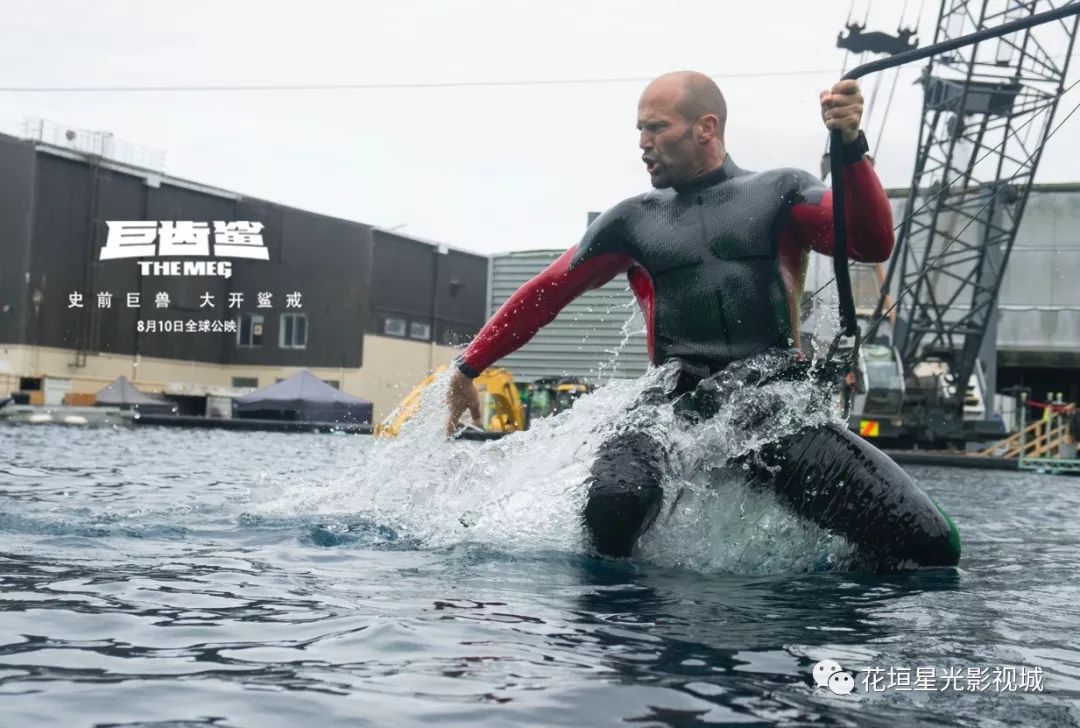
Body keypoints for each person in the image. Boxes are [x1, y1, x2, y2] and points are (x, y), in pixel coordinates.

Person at [444, 71, 955, 563]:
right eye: (640, 129)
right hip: (671, 407)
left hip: (771, 408)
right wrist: (469, 366)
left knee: (928, 544)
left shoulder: (781, 191)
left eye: (656, 127)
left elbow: (868, 241)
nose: (643, 141)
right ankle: (621, 627)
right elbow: (546, 293)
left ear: (705, 127)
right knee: (615, 506)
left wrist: (851, 147)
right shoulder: (631, 220)